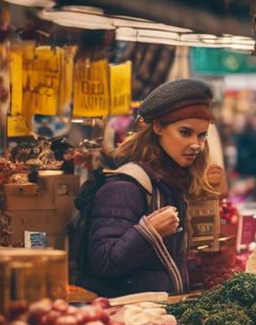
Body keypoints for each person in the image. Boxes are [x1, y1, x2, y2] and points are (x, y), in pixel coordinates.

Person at [78, 78, 218, 297]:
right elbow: (103, 261)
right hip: (132, 318)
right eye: (185, 132)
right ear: (158, 127)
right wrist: (147, 232)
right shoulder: (126, 186)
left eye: (202, 135)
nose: (196, 145)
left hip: (160, 316)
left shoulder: (172, 182)